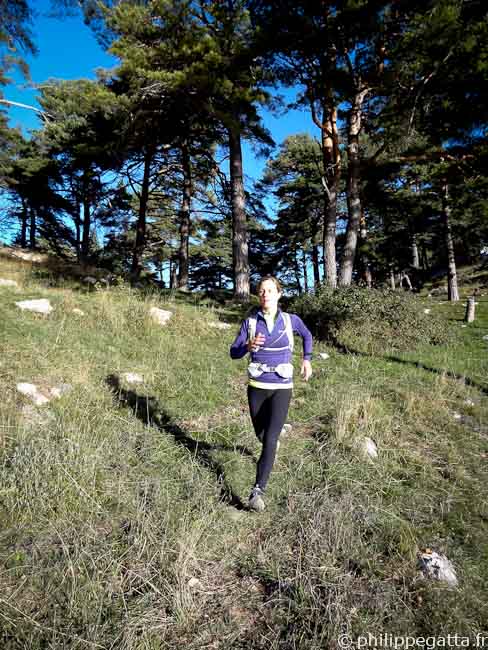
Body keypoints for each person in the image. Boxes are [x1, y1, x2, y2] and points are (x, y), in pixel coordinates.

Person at [230, 275, 313, 512]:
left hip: (282, 388)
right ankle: (272, 440)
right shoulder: (250, 322)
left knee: (270, 439)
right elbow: (233, 353)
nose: (265, 294)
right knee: (262, 435)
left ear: (279, 294)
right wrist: (247, 346)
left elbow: (307, 335)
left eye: (269, 290)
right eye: (261, 291)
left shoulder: (290, 320)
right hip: (257, 388)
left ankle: (258, 491)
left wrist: (307, 360)